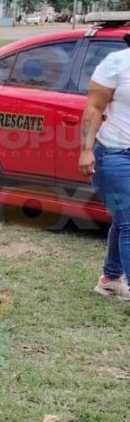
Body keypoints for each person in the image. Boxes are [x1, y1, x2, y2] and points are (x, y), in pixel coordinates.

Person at [79, 38, 130, 301]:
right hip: (115, 153)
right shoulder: (117, 63)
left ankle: (111, 279)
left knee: (124, 220)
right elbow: (94, 108)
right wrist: (86, 149)